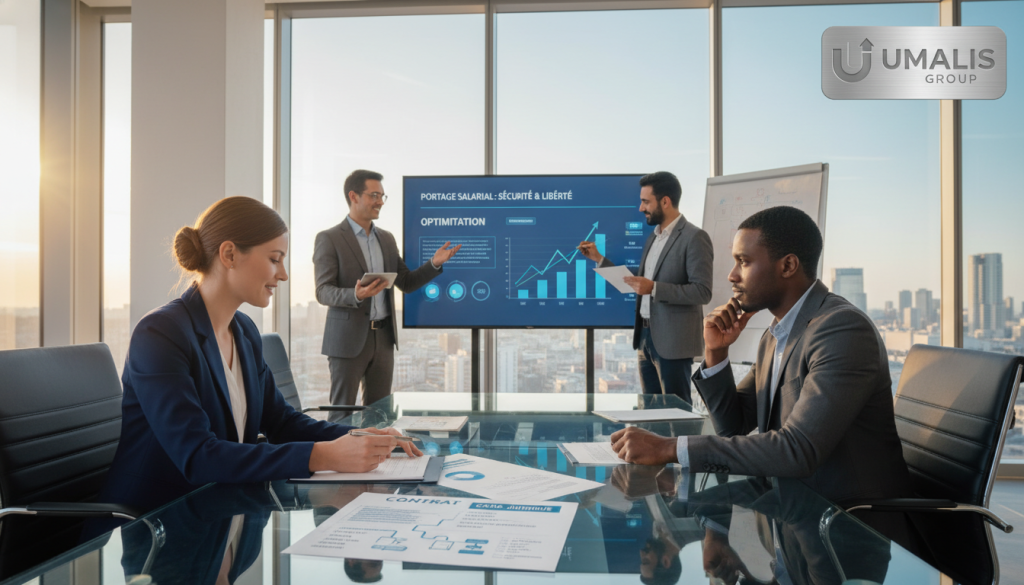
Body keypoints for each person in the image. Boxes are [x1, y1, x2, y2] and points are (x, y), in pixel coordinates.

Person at [99, 196, 421, 514]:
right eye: (274, 259)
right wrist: (323, 455)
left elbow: (281, 421)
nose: (282, 274)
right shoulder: (160, 334)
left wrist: (361, 437)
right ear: (229, 254)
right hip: (156, 525)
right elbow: (197, 456)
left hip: (223, 513)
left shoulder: (244, 331)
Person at [609, 206, 912, 537]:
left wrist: (670, 448)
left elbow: (797, 450)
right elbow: (733, 427)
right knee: (681, 507)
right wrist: (716, 351)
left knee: (682, 508)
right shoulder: (777, 334)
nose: (732, 275)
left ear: (788, 266)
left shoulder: (841, 329)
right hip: (791, 517)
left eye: (744, 261)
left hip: (845, 527)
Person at [314, 170, 460, 417]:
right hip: (347, 340)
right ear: (354, 196)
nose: (380, 201)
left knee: (381, 414)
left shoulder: (387, 239)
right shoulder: (329, 239)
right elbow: (322, 291)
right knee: (342, 414)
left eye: (382, 196)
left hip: (383, 339)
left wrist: (434, 263)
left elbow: (407, 282)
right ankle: (341, 456)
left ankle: (378, 457)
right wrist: (356, 294)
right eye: (374, 195)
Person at [578, 171, 713, 404]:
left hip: (673, 342)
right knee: (649, 409)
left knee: (675, 412)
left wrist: (654, 289)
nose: (641, 208)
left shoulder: (694, 237)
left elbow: (702, 291)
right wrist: (599, 259)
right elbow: (639, 283)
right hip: (645, 338)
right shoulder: (653, 238)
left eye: (645, 201)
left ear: (665, 201)